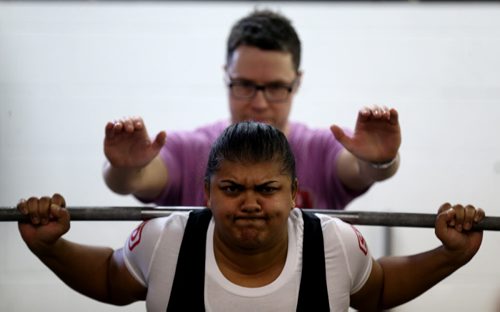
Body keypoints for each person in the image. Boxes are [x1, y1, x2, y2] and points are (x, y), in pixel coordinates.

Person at [19, 121, 484, 311]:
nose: (250, 203)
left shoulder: (334, 242)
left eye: (267, 189)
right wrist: (49, 245)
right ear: (205, 193)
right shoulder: (166, 238)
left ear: (294, 195)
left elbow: (377, 287)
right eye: (231, 188)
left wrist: (451, 256)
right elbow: (108, 278)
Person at [102, 9, 401, 210]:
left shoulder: (321, 149)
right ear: (226, 76)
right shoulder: (189, 150)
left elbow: (360, 168)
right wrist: (125, 167)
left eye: (275, 87)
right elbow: (135, 179)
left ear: (297, 83)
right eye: (244, 85)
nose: (259, 102)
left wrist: (380, 161)